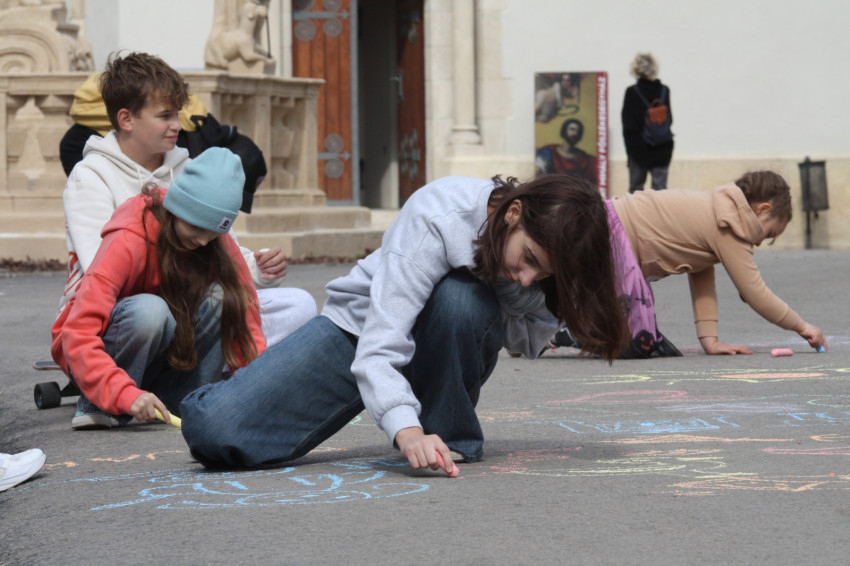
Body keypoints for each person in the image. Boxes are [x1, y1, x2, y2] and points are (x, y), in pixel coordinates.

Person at [180, 174, 628, 474]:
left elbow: (523, 340)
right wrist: (406, 431)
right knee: (214, 430)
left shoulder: (534, 264)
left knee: (460, 299)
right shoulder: (439, 213)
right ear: (513, 212)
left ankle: (449, 438)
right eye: (528, 259)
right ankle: (200, 384)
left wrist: (505, 285)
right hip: (361, 329)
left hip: (434, 344)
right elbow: (379, 344)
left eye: (542, 273)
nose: (528, 278)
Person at [58, 51, 316, 357]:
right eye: (165, 116)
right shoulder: (90, 176)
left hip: (186, 303)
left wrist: (258, 269)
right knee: (151, 312)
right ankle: (136, 370)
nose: (177, 125)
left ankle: (206, 363)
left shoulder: (188, 168)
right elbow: (101, 270)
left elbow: (221, 249)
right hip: (125, 310)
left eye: (177, 114)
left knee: (299, 305)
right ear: (126, 119)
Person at [51, 148, 267, 429]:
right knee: (150, 311)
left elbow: (248, 325)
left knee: (225, 298)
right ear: (177, 208)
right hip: (101, 362)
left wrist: (259, 397)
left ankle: (183, 402)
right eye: (197, 226)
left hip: (163, 357)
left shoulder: (215, 241)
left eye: (213, 231)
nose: (203, 241)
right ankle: (99, 404)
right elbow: (78, 332)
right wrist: (122, 394)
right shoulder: (130, 236)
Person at [551, 171, 827, 356]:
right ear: (762, 209)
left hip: (606, 222)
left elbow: (701, 275)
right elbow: (755, 292)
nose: (760, 242)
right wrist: (802, 326)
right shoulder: (733, 227)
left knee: (564, 281)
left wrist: (710, 341)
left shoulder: (718, 211)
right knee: (640, 341)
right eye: (768, 234)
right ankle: (576, 331)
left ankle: (558, 326)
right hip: (614, 235)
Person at [621, 53, 674, 192]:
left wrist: (630, 154)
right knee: (660, 191)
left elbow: (628, 126)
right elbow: (670, 120)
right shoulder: (664, 90)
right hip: (663, 147)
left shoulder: (631, 92)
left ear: (635, 69)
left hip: (638, 149)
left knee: (636, 191)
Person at [535, 118, 598, 185]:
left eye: (578, 131)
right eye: (572, 129)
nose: (575, 133)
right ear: (564, 131)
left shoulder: (586, 159)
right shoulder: (549, 152)